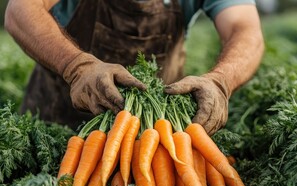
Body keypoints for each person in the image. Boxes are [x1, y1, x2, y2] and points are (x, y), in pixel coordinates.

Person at [4, 0, 264, 135]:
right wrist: (77, 66)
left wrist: (220, 81)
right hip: (56, 130)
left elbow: (244, 29)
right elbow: (21, 9)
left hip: (152, 138)